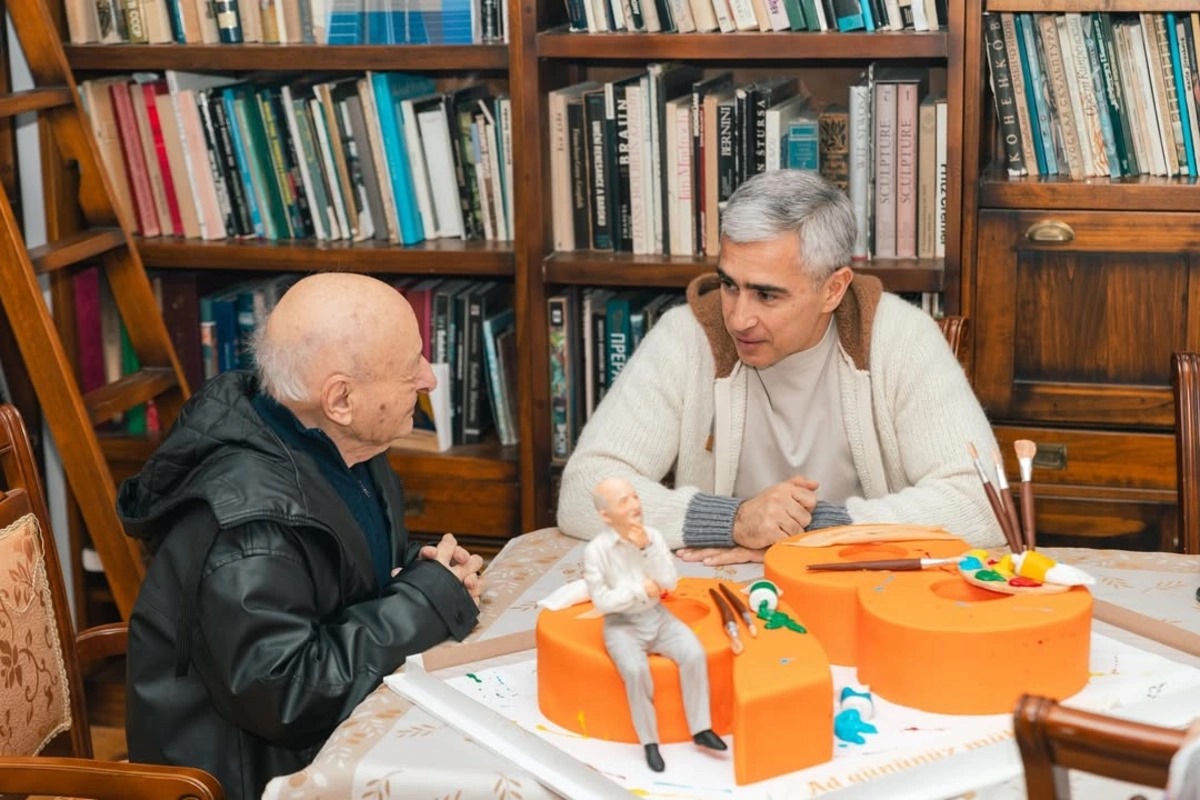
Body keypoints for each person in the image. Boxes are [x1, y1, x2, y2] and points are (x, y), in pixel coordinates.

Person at [117, 273, 485, 800]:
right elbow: (289, 695)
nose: (429, 378)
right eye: (411, 367)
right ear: (340, 399)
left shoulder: (341, 444)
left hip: (323, 740)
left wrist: (422, 568)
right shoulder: (249, 529)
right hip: (247, 779)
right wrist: (423, 601)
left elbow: (332, 568)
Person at [558, 170, 1005, 565]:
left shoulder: (902, 338)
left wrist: (812, 530)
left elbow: (984, 504)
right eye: (729, 285)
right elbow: (583, 491)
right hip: (718, 584)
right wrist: (734, 521)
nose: (738, 318)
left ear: (833, 289)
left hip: (863, 584)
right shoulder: (686, 336)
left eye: (767, 295)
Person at [583, 476, 727, 772]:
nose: (635, 505)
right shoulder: (597, 551)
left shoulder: (654, 537)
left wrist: (647, 549)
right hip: (621, 625)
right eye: (624, 501)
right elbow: (603, 602)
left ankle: (701, 728)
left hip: (657, 617)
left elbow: (670, 581)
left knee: (693, 653)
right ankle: (650, 743)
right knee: (636, 671)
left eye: (635, 496)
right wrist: (639, 591)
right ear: (605, 515)